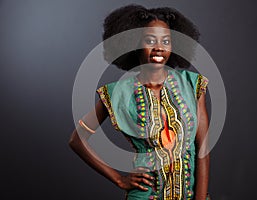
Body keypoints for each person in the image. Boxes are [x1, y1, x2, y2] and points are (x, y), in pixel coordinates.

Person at [69, 4, 210, 200]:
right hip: (145, 195)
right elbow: (77, 140)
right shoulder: (117, 93)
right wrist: (119, 179)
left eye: (166, 41)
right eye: (150, 40)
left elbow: (202, 150)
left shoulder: (192, 85)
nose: (159, 47)